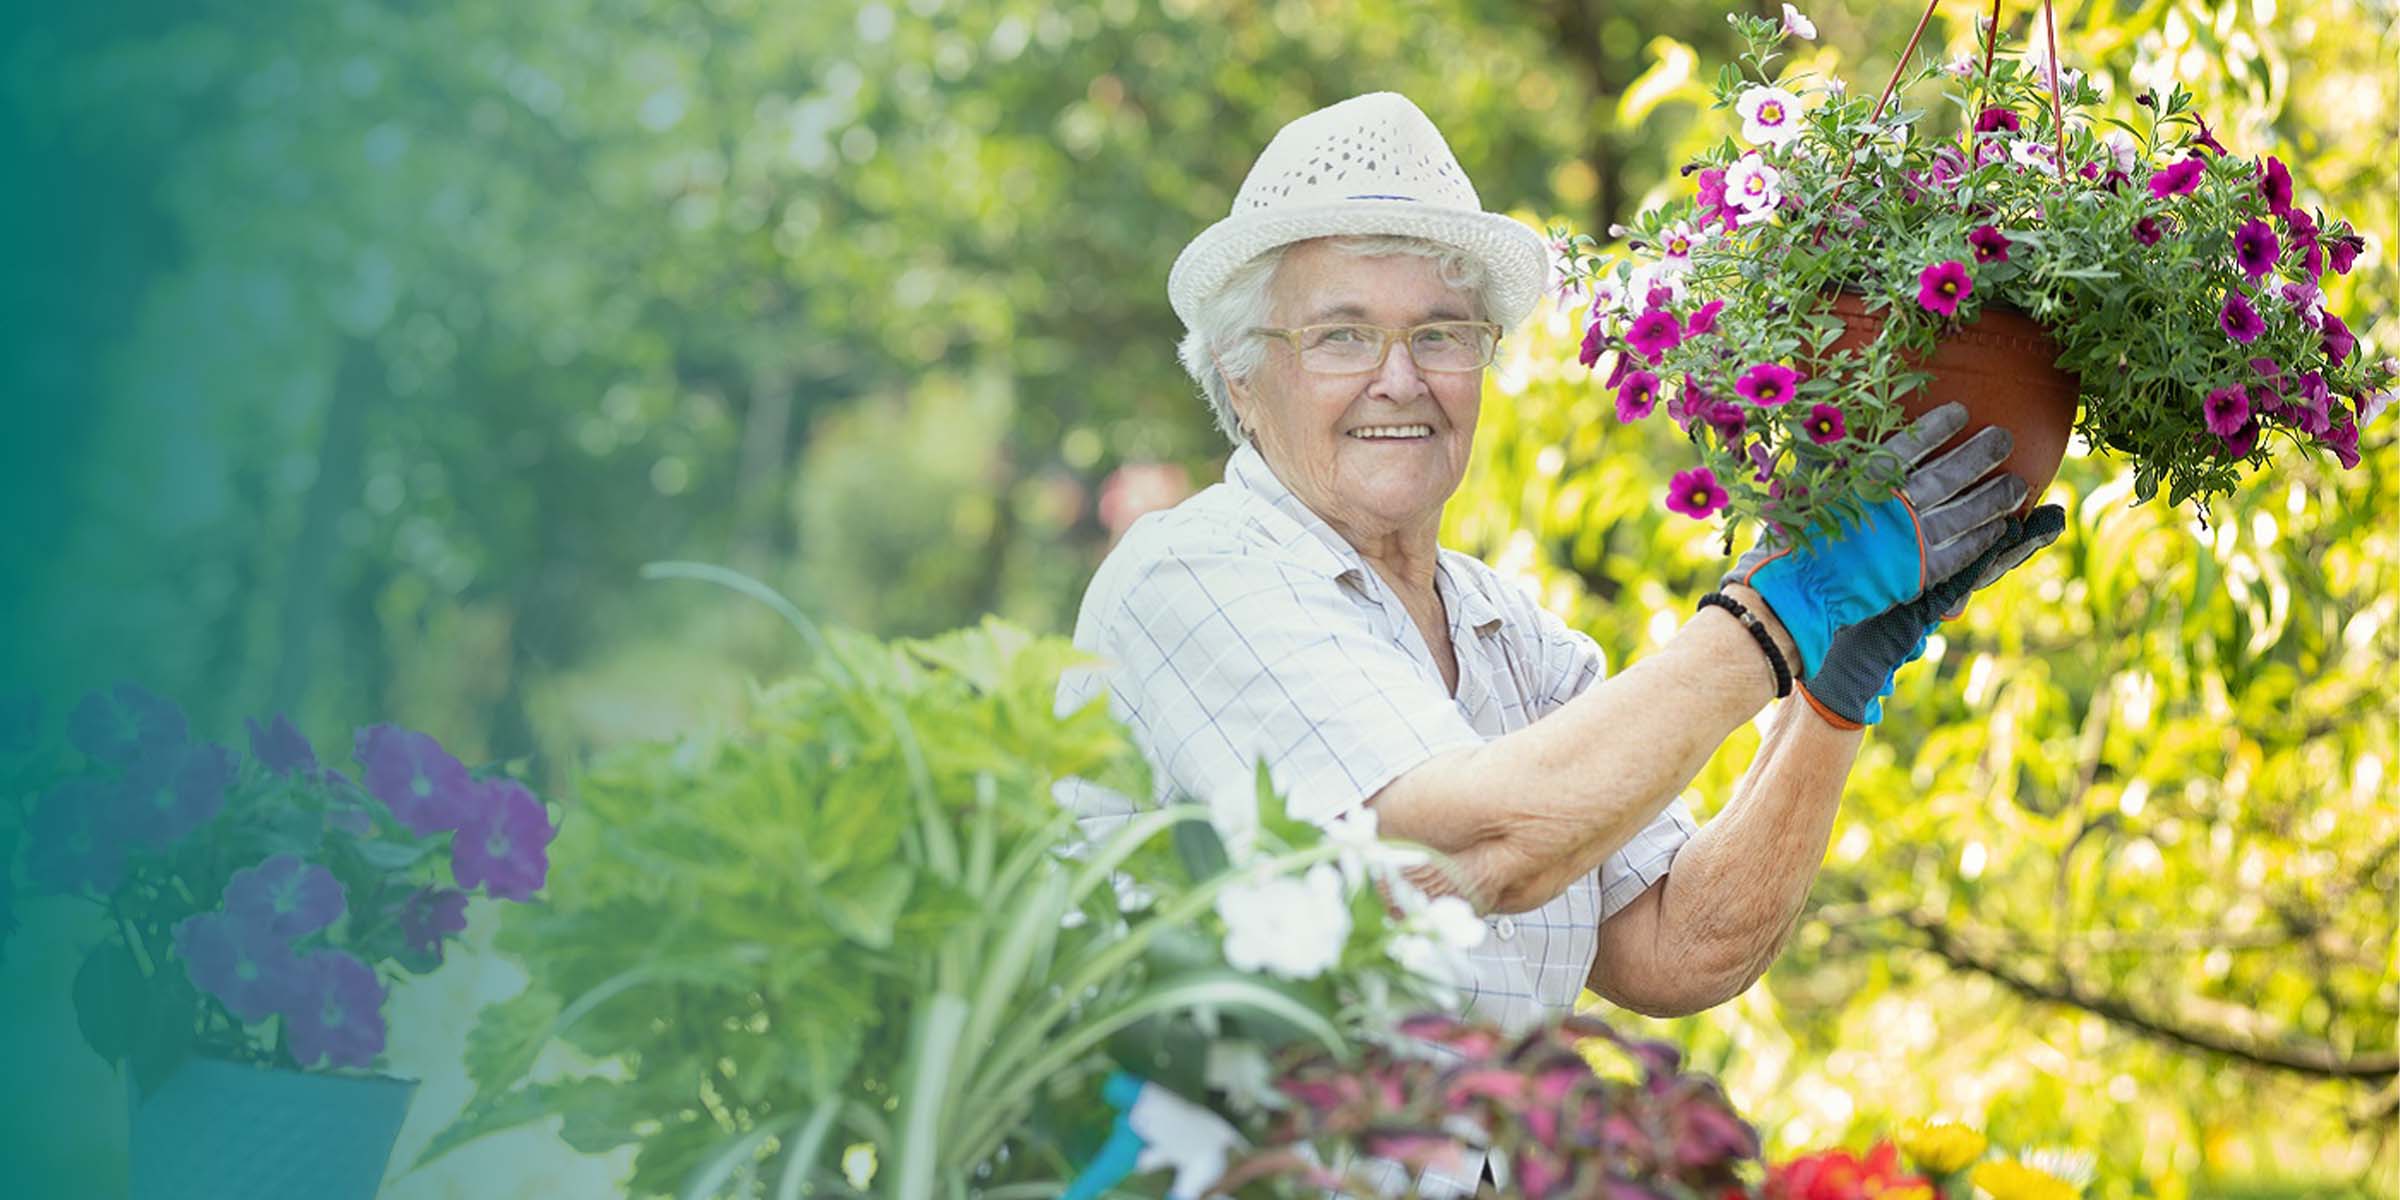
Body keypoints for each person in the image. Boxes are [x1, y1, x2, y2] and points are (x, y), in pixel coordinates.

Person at [1053, 92, 2060, 1193]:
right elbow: (1473, 845)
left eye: (1440, 333)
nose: (1401, 378)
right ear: (1242, 378)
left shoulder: (1509, 636)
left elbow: (1681, 947)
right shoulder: (1193, 577)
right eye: (1342, 334)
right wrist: (1779, 609)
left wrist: (1830, 689)